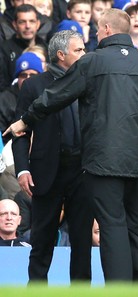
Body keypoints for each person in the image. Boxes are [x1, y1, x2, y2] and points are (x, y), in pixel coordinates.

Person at [4, 8, 138, 283]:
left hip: (101, 163)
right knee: (137, 228)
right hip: (136, 162)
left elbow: (57, 96)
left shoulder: (93, 62)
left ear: (105, 29)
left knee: (112, 225)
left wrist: (25, 121)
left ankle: (119, 289)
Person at [11, 30, 93, 283]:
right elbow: (20, 131)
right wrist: (22, 169)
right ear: (61, 54)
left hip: (83, 171)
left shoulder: (91, 82)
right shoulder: (34, 85)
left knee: (82, 242)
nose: (84, 54)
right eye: (79, 50)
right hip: (46, 172)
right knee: (41, 240)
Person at [0, 4, 47, 91]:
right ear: (14, 24)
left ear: (38, 24)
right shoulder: (3, 50)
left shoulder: (46, 48)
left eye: (32, 21)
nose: (27, 26)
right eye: (22, 22)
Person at [0, 52, 44, 145]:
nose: (28, 79)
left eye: (33, 75)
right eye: (23, 75)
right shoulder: (4, 100)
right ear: (17, 78)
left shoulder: (47, 96)